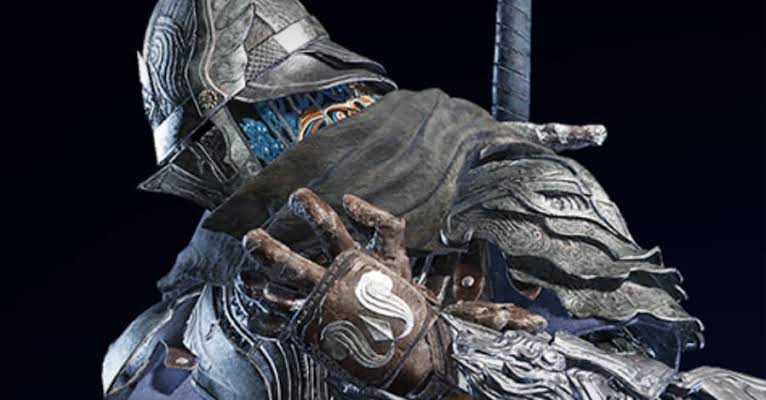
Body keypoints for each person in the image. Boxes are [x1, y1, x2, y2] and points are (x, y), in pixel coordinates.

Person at [102, 0, 766, 398]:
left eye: (220, 137)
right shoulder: (227, 254)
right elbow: (134, 373)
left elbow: (654, 388)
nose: (216, 178)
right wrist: (232, 322)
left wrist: (441, 351)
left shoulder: (512, 196)